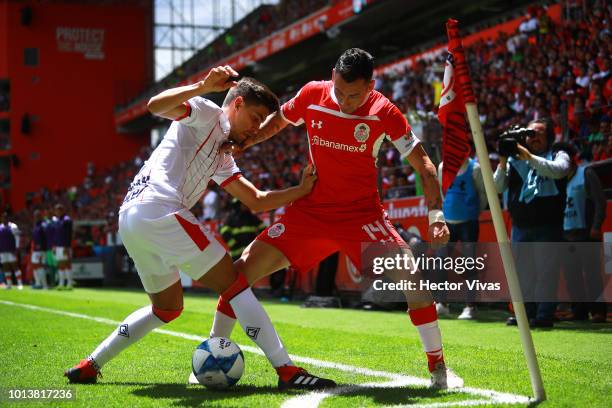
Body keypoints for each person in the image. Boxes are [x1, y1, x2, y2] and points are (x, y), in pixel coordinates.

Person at [65, 66, 335, 390]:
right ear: (236, 105)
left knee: (166, 308)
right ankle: (287, 370)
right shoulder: (207, 112)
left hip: (132, 218)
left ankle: (91, 364)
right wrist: (202, 86)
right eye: (255, 117)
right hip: (159, 209)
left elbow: (257, 200)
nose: (256, 129)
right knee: (235, 283)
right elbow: (155, 106)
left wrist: (300, 191)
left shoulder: (222, 155)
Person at [205, 49, 463, 389]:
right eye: (339, 91)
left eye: (354, 95)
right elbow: (278, 121)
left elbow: (425, 166)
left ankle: (439, 368)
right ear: (332, 76)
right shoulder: (313, 93)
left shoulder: (385, 112)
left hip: (361, 216)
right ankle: (212, 352)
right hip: (309, 213)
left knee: (411, 277)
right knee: (240, 273)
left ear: (371, 85)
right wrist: (246, 141)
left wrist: (437, 215)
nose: (344, 101)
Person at [494, 118, 571, 328]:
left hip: (548, 225)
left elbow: (558, 170)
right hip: (521, 226)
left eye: (540, 133)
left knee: (547, 272)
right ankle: (525, 314)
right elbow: (497, 187)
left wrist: (528, 156)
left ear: (549, 136)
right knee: (522, 274)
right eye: (531, 133)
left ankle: (544, 316)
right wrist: (502, 161)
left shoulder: (558, 153)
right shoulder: (513, 159)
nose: (534, 137)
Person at [437, 155, 487, 320]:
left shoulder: (475, 169)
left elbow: (483, 194)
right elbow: (441, 192)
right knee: (440, 261)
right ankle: (442, 304)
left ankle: (470, 306)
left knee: (469, 264)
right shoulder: (443, 167)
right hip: (448, 221)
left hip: (468, 223)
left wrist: (473, 212)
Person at [561, 154, 607, 322]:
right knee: (572, 276)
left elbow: (600, 201)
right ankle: (579, 311)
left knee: (592, 274)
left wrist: (596, 225)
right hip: (566, 235)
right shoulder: (558, 180)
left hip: (586, 233)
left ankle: (598, 311)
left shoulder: (586, 173)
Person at [0, 212, 22, 290]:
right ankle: (9, 284)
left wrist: (17, 248)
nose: (4, 219)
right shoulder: (0, 227)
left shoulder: (13, 226)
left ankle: (19, 283)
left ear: (8, 218)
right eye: (2, 217)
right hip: (2, 250)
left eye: (5, 217)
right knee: (5, 267)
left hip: (11, 249)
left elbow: (17, 238)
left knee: (14, 266)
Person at [53, 204, 73, 289]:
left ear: (62, 210)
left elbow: (68, 234)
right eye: (56, 211)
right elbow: (56, 235)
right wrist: (54, 245)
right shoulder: (57, 221)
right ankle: (61, 283)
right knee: (60, 265)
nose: (57, 212)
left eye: (58, 210)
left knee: (67, 264)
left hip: (65, 246)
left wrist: (66, 246)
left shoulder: (67, 220)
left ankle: (69, 283)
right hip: (58, 246)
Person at [31, 209, 48, 289]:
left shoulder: (43, 224)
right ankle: (38, 283)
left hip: (41, 249)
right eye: (35, 216)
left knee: (40, 266)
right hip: (35, 249)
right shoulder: (35, 225)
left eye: (38, 215)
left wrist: (41, 246)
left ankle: (44, 285)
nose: (36, 217)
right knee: (34, 265)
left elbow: (46, 236)